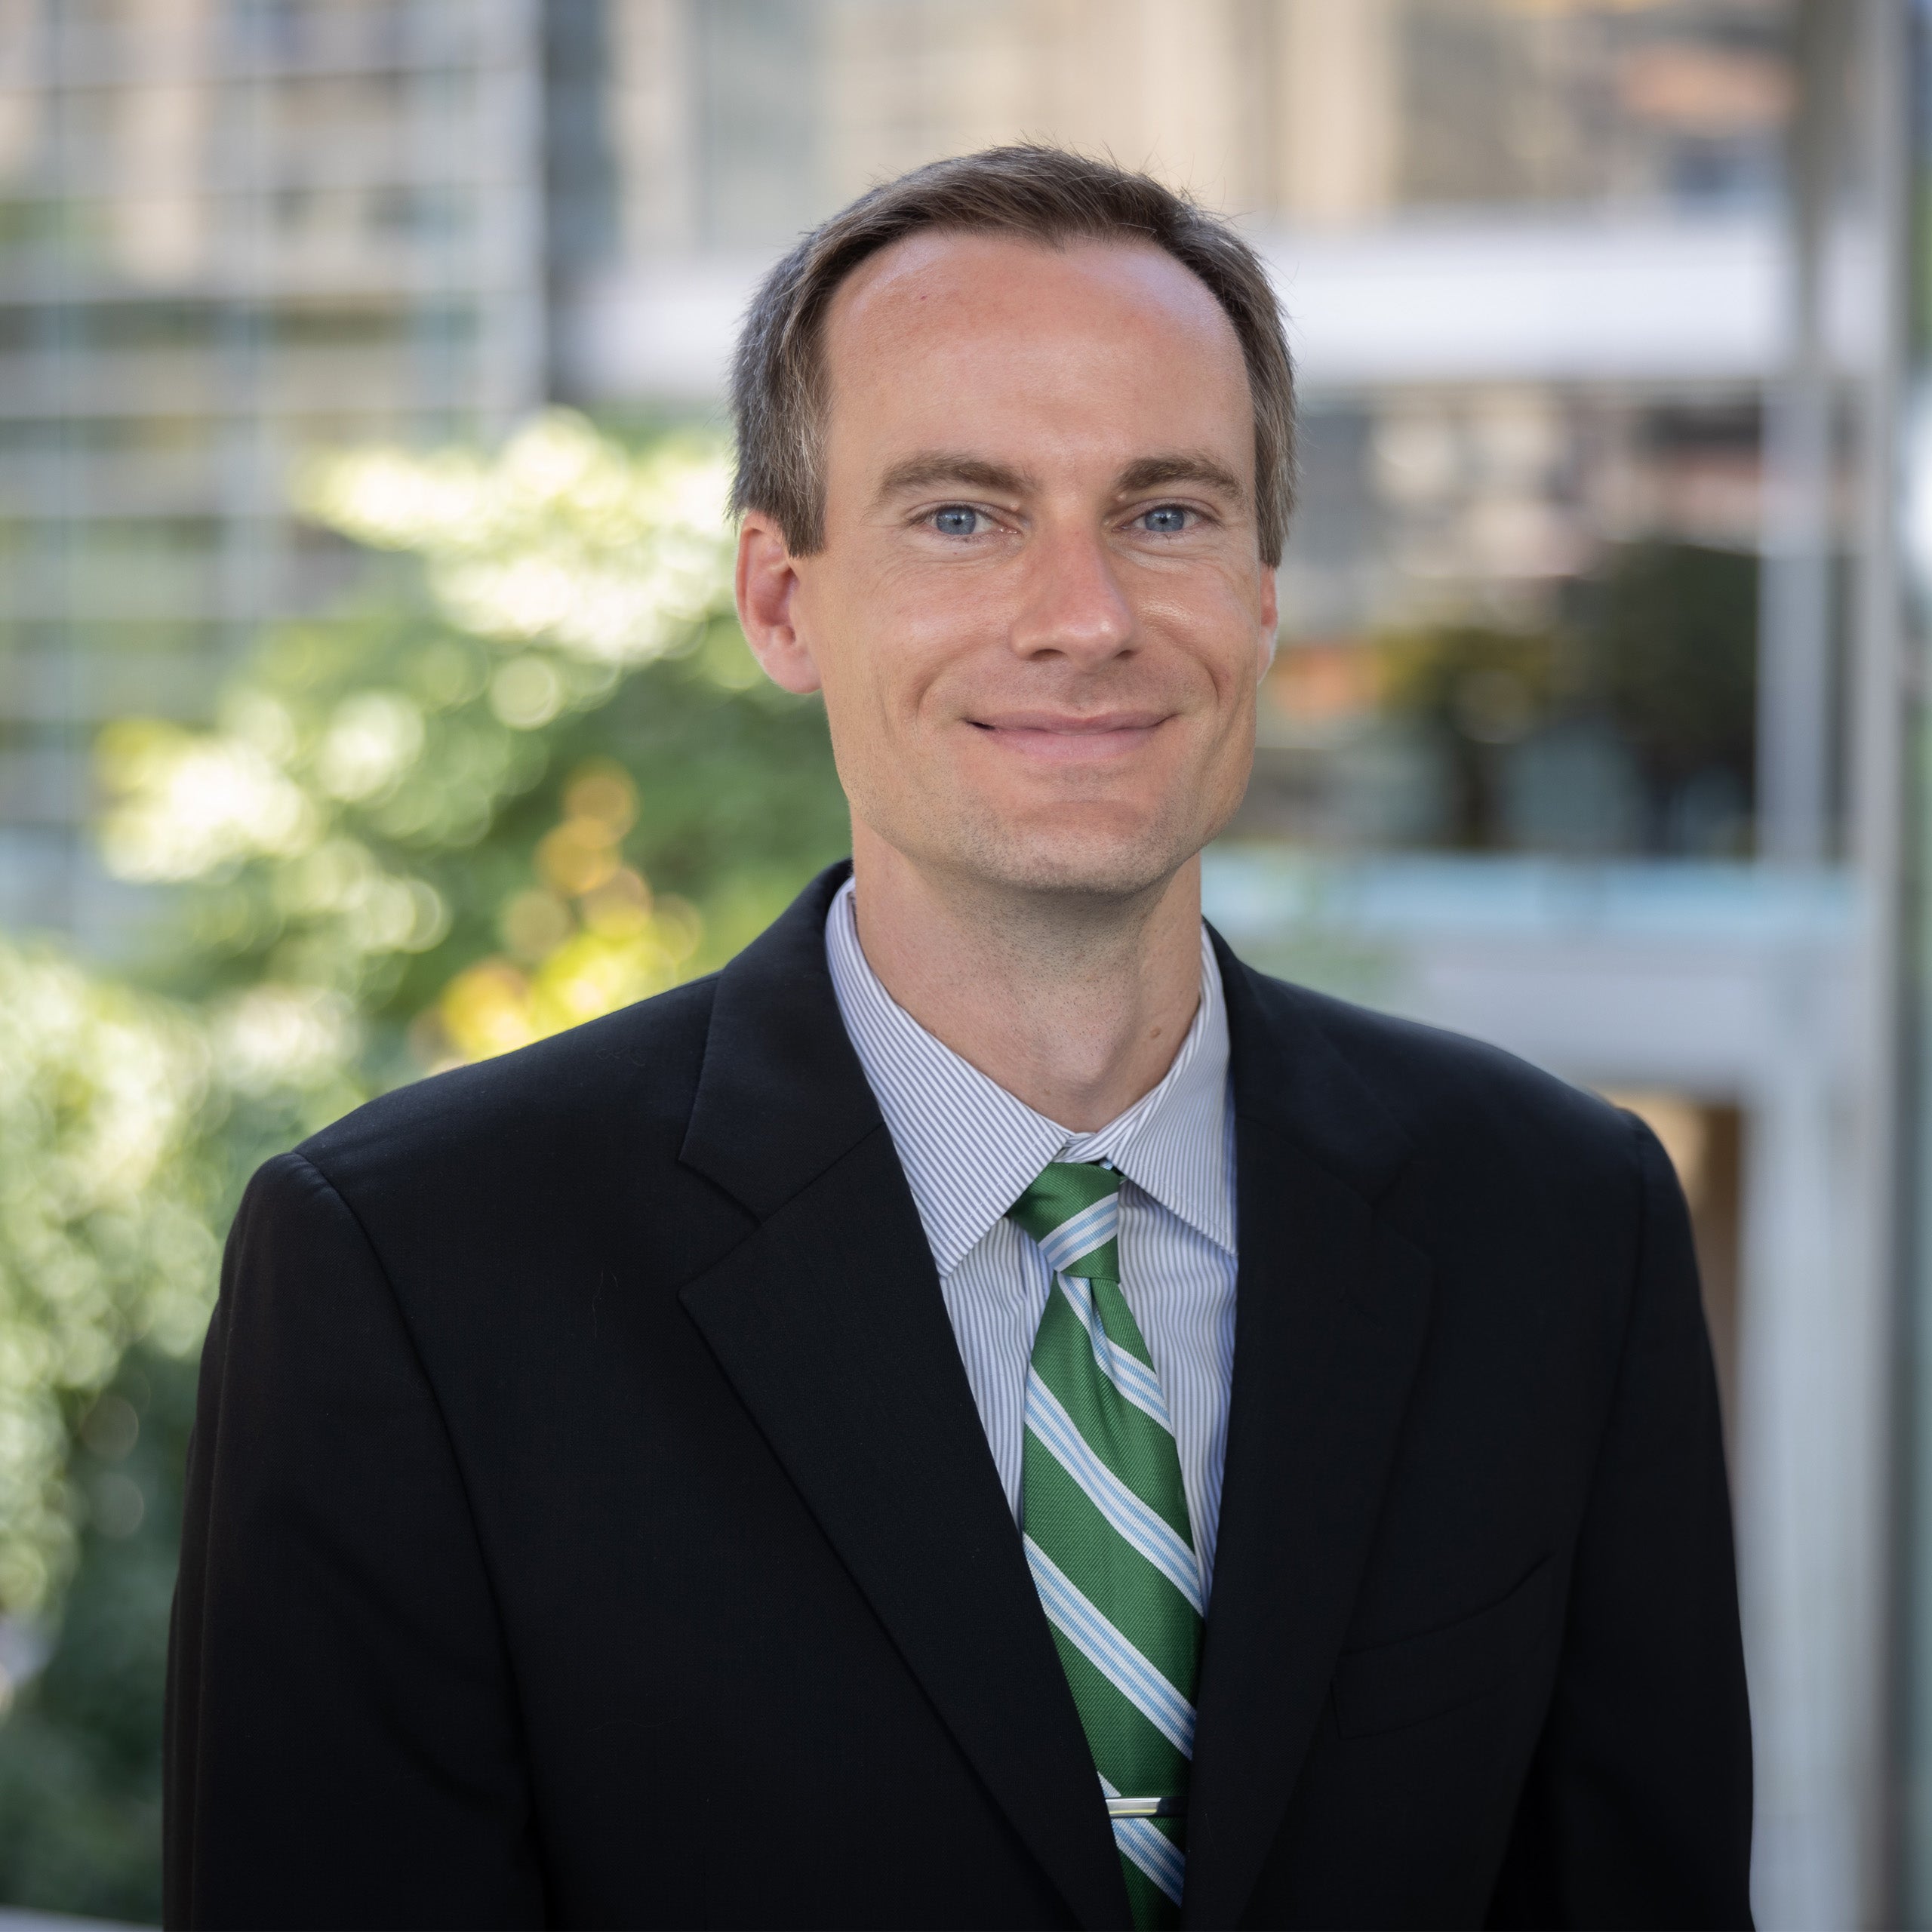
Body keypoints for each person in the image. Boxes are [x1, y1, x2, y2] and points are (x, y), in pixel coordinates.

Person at [164, 146, 1752, 1930]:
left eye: (1164, 513)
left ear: (1261, 592)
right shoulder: (412, 1273)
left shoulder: (1558, 1220)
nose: (1081, 615)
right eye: (960, 515)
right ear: (779, 600)